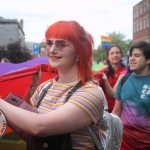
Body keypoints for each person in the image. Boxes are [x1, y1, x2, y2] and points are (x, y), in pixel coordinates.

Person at [0, 20, 104, 150]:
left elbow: (39, 127)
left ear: (79, 51)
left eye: (62, 44)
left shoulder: (91, 93)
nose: (52, 49)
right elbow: (31, 135)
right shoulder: (45, 87)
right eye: (49, 43)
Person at [112, 41, 150, 150]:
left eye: (137, 56)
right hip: (124, 144)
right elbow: (116, 112)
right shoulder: (124, 80)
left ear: (148, 60)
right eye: (131, 55)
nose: (131, 59)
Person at [94, 44, 127, 112]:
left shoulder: (126, 72)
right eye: (112, 53)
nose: (115, 55)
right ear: (108, 57)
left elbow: (114, 95)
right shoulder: (103, 71)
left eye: (117, 53)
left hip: (122, 110)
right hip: (105, 110)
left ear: (121, 55)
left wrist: (105, 80)